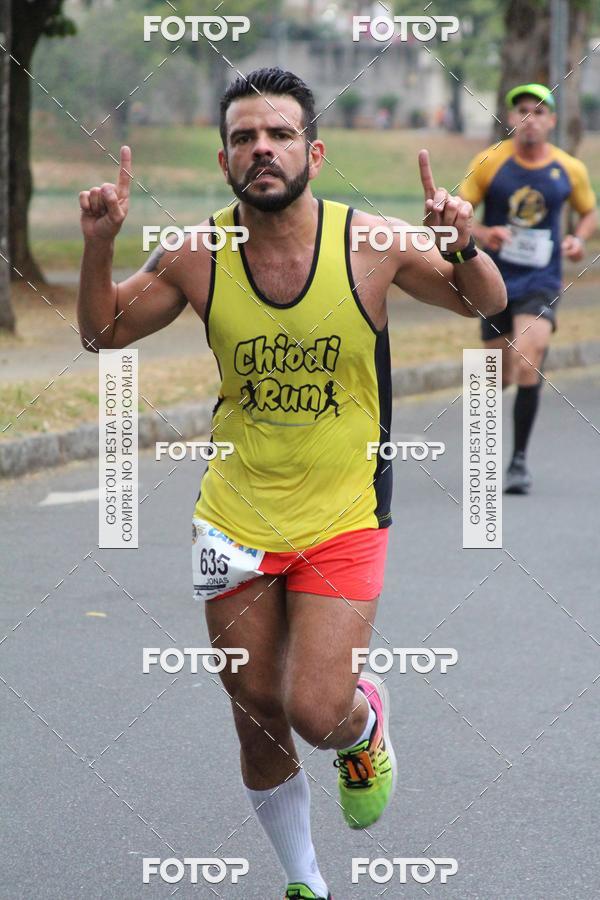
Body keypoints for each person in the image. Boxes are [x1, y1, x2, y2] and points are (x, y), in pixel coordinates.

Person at [77, 67, 506, 900]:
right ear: (224, 159)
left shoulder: (372, 245)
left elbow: (482, 301)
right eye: (244, 138)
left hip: (345, 513)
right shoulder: (200, 255)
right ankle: (305, 880)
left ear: (312, 150)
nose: (261, 150)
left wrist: (462, 241)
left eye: (277, 136)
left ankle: (363, 722)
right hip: (233, 520)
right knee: (255, 706)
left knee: (315, 710)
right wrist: (99, 245)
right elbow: (103, 333)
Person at [458, 83, 597, 494]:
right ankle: (484, 456)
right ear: (512, 119)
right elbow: (459, 213)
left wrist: (578, 240)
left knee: (528, 356)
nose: (529, 119)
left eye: (538, 112)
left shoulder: (569, 168)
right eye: (521, 111)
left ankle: (518, 462)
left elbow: (589, 213)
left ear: (551, 121)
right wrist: (484, 231)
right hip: (493, 280)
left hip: (541, 281)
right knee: (494, 375)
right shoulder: (488, 162)